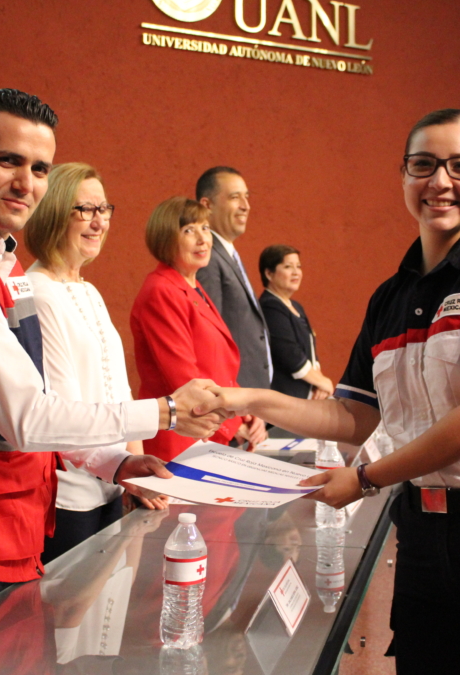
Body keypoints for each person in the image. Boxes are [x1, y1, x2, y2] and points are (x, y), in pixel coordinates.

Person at [201, 109, 460, 675]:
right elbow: (353, 417)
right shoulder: (390, 298)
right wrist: (240, 398)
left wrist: (366, 479)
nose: (440, 181)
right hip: (425, 542)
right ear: (403, 177)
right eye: (423, 165)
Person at [0, 89, 222, 652]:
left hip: (0, 533)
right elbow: (28, 415)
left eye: (40, 168)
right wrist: (168, 410)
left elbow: (37, 412)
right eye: (8, 161)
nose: (26, 182)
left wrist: (115, 460)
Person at [24, 163, 168, 564]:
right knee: (73, 625)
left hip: (115, 482)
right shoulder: (38, 292)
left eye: (104, 209)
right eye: (84, 209)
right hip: (72, 496)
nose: (98, 221)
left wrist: (135, 472)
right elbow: (63, 410)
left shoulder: (89, 290)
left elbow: (118, 389)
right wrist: (122, 469)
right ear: (52, 212)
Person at [130, 196, 256, 460]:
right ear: (166, 238)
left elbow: (219, 370)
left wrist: (244, 411)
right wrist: (234, 424)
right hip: (180, 443)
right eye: (189, 230)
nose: (203, 239)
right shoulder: (162, 290)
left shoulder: (193, 287)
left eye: (205, 228)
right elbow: (185, 380)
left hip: (205, 436)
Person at [195, 167, 270, 444]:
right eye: (235, 197)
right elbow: (209, 341)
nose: (246, 206)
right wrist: (232, 410)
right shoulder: (208, 259)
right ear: (207, 205)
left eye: (247, 197)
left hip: (247, 410)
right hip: (232, 413)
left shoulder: (227, 254)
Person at [258, 245, 334, 400]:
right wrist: (323, 382)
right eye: (288, 267)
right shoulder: (270, 306)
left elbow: (310, 350)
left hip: (306, 393)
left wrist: (318, 384)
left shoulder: (296, 306)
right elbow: (289, 354)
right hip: (285, 396)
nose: (296, 272)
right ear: (269, 273)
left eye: (298, 267)